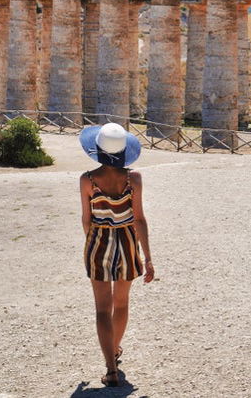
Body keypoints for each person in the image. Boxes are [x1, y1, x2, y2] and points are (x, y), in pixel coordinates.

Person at [78, 122, 154, 387]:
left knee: (102, 309)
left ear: (97, 149)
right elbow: (140, 219)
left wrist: (93, 245)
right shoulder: (134, 179)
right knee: (121, 303)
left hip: (98, 242)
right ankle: (116, 348)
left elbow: (86, 220)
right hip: (127, 242)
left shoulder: (87, 180)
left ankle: (110, 368)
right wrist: (148, 256)